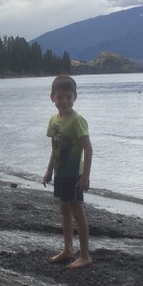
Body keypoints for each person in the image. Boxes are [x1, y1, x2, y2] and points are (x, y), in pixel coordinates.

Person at [42, 74, 93, 269]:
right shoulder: (54, 120)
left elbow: (88, 149)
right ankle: (68, 249)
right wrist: (49, 172)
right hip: (61, 173)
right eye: (60, 97)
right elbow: (54, 149)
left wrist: (86, 176)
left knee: (77, 212)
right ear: (52, 98)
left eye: (69, 97)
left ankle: (85, 255)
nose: (64, 101)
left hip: (74, 175)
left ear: (75, 97)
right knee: (64, 209)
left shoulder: (77, 120)